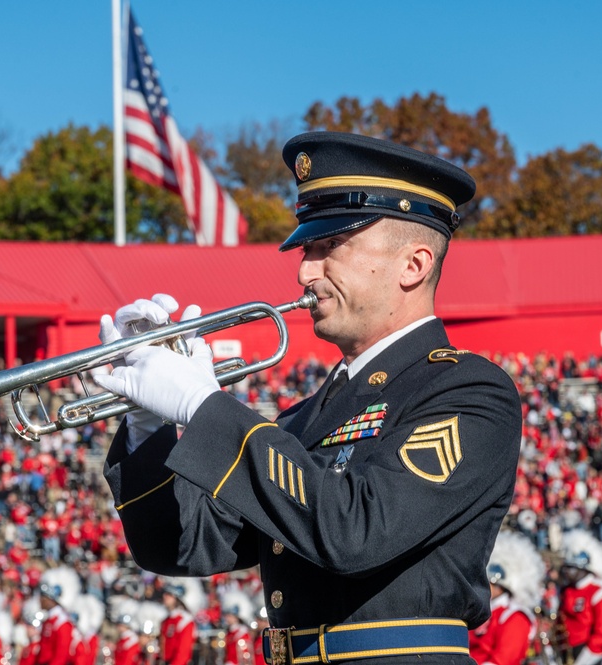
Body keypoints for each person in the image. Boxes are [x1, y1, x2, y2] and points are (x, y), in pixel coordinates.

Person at [97, 132, 523, 665]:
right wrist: (148, 428)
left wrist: (204, 407)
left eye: (330, 248)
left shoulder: (468, 390)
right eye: (306, 249)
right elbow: (179, 546)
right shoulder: (306, 417)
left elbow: (355, 532)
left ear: (412, 266)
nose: (305, 271)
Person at [468, 530, 543, 665]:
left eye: (490, 582)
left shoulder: (515, 616)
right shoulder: (479, 609)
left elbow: (504, 660)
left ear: (502, 586)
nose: (485, 585)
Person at [556, 529, 602, 665]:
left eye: (572, 568)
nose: (567, 572)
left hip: (589, 654)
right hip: (566, 650)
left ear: (583, 568)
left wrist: (584, 660)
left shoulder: (600, 591)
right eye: (566, 567)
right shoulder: (567, 590)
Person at [35, 567, 78, 665]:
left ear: (51, 599)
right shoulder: (49, 620)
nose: (40, 600)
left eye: (43, 597)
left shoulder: (62, 622)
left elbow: (61, 655)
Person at [158, 579, 200, 665]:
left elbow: (183, 653)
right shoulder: (166, 620)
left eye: (169, 594)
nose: (164, 596)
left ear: (178, 598)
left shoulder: (185, 621)